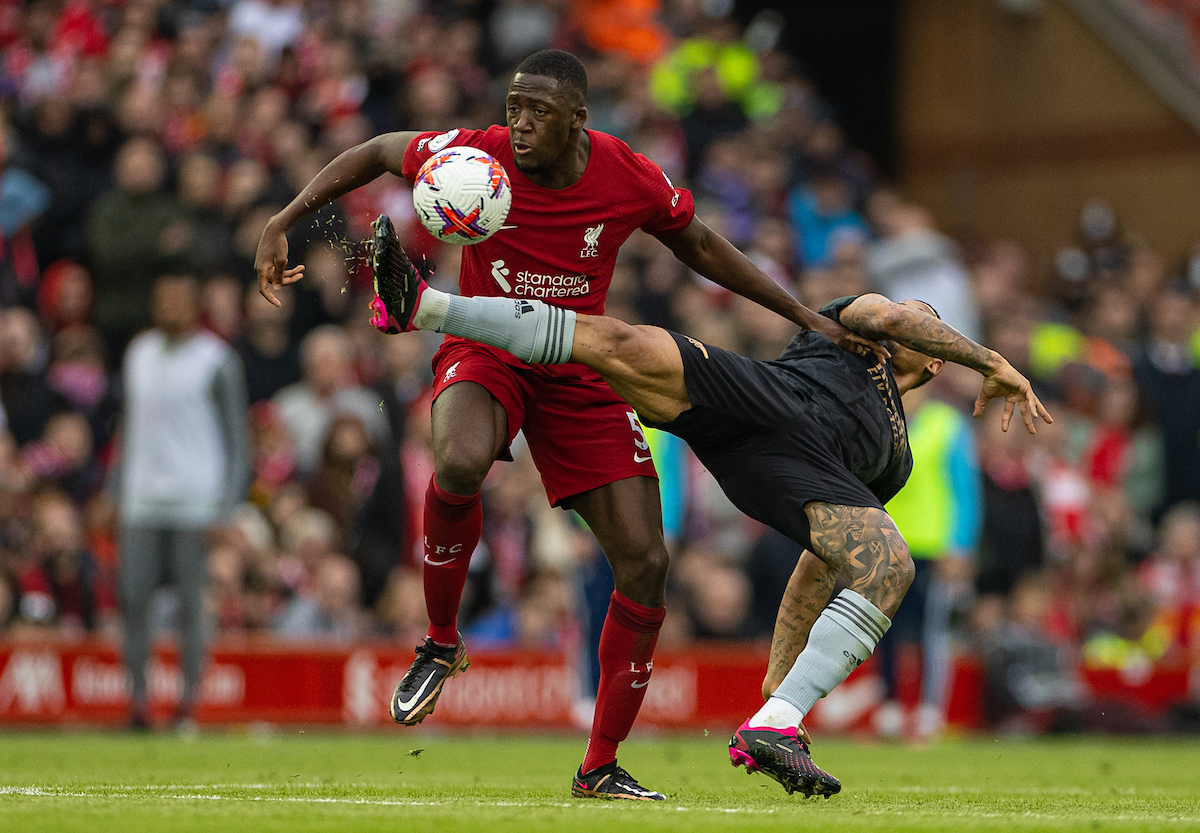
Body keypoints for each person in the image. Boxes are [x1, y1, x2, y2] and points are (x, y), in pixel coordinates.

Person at [255, 49, 879, 800]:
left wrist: (806, 316)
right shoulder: (476, 156)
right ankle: (442, 642)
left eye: (538, 112)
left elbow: (704, 246)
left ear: (577, 119)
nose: (519, 124)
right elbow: (380, 152)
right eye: (514, 107)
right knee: (457, 458)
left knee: (646, 561)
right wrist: (287, 218)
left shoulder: (627, 174)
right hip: (488, 347)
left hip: (583, 369)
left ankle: (600, 766)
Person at [375, 262, 1050, 795]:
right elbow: (896, 312)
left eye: (932, 326)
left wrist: (779, 676)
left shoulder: (897, 458)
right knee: (619, 341)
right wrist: (989, 358)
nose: (918, 321)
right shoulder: (859, 330)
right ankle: (428, 307)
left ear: (932, 364)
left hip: (791, 470)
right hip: (759, 396)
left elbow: (817, 565)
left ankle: (776, 721)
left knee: (889, 562)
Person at [116, 274, 251, 730]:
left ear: (195, 305)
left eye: (177, 297)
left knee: (192, 609)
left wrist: (227, 507)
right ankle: (137, 705)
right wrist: (115, 490)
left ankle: (188, 706)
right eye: (162, 298)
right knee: (134, 603)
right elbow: (128, 429)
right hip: (141, 500)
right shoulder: (138, 355)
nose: (168, 306)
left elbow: (237, 439)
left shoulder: (216, 360)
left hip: (196, 504)